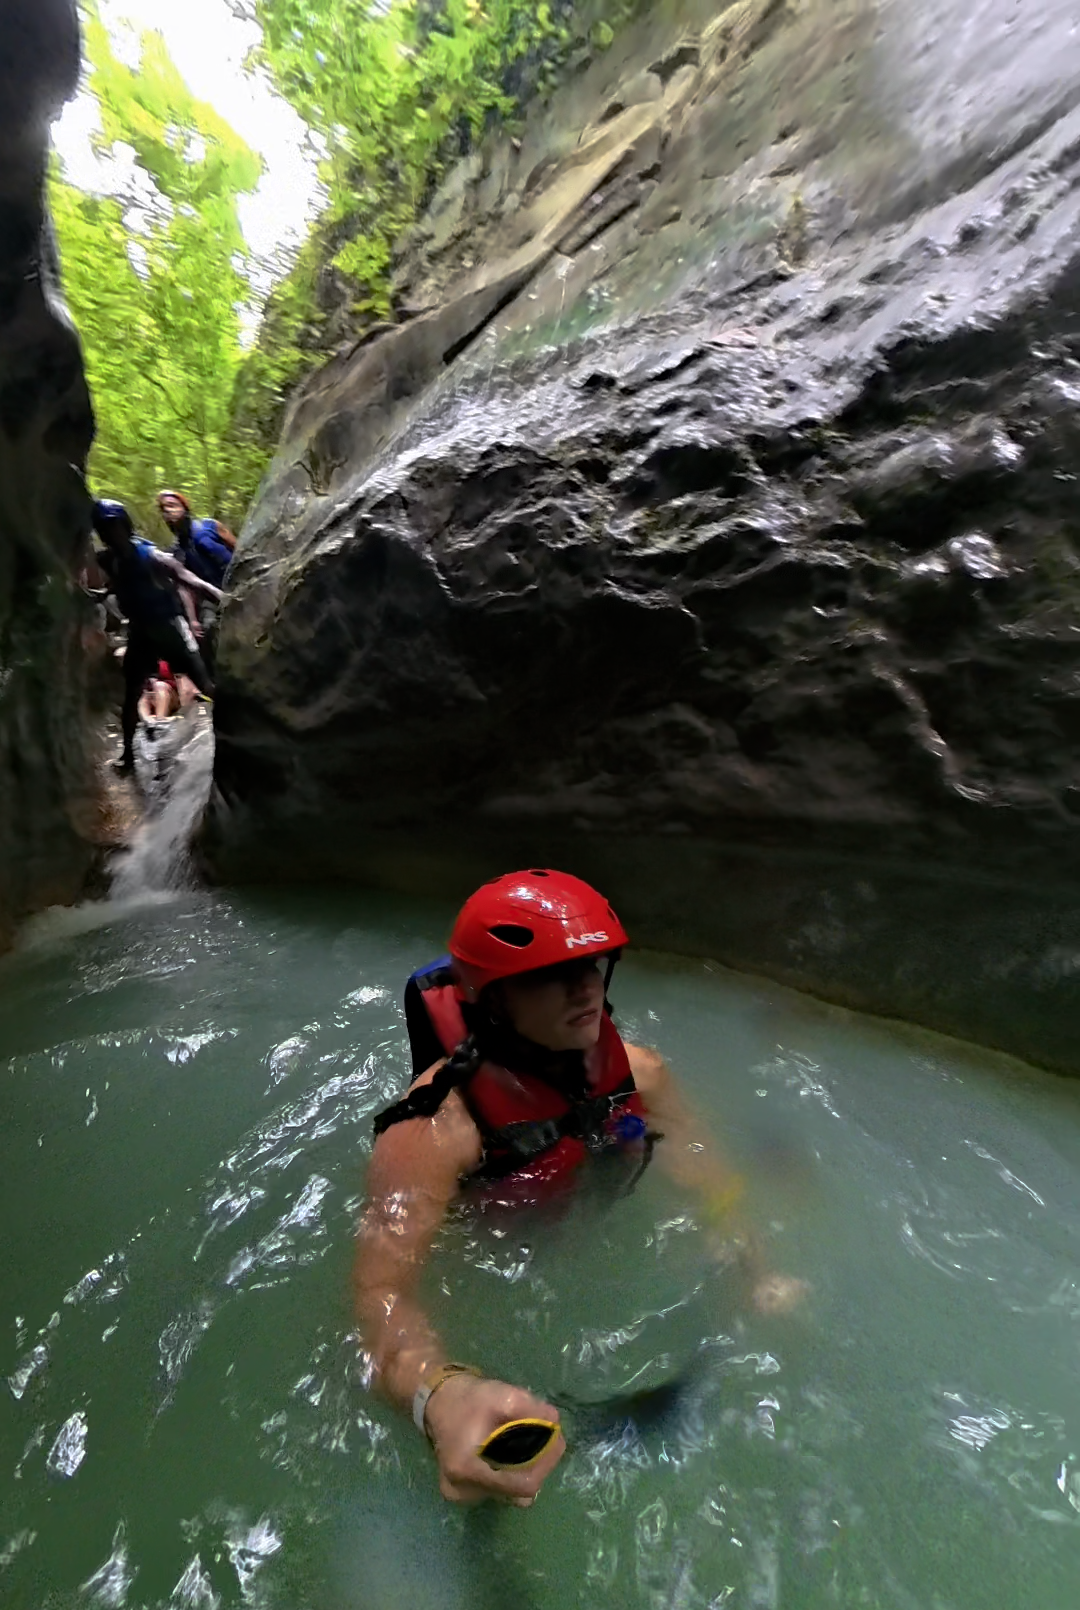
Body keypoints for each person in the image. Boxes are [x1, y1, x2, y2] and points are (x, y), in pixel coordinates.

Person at [355, 870, 806, 1510]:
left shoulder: (641, 1074)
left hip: (591, 1220)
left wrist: (754, 1266)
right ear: (495, 996)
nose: (585, 988)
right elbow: (381, 1292)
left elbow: (708, 1173)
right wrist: (441, 1391)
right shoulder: (431, 1129)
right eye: (549, 974)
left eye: (593, 965)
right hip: (496, 1252)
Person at [92, 499, 221, 776]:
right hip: (140, 631)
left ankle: (232, 737)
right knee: (131, 693)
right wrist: (104, 594)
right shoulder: (108, 559)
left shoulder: (153, 556)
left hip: (169, 627)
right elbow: (120, 580)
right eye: (104, 529)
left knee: (205, 683)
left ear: (125, 526)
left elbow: (191, 580)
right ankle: (128, 755)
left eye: (114, 527)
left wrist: (228, 599)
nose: (110, 534)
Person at [157, 490, 236, 669]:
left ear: (185, 508)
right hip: (211, 597)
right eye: (163, 509)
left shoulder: (210, 526)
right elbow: (185, 587)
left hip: (238, 582)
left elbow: (238, 548)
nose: (168, 511)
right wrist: (193, 619)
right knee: (208, 629)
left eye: (172, 506)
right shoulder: (176, 553)